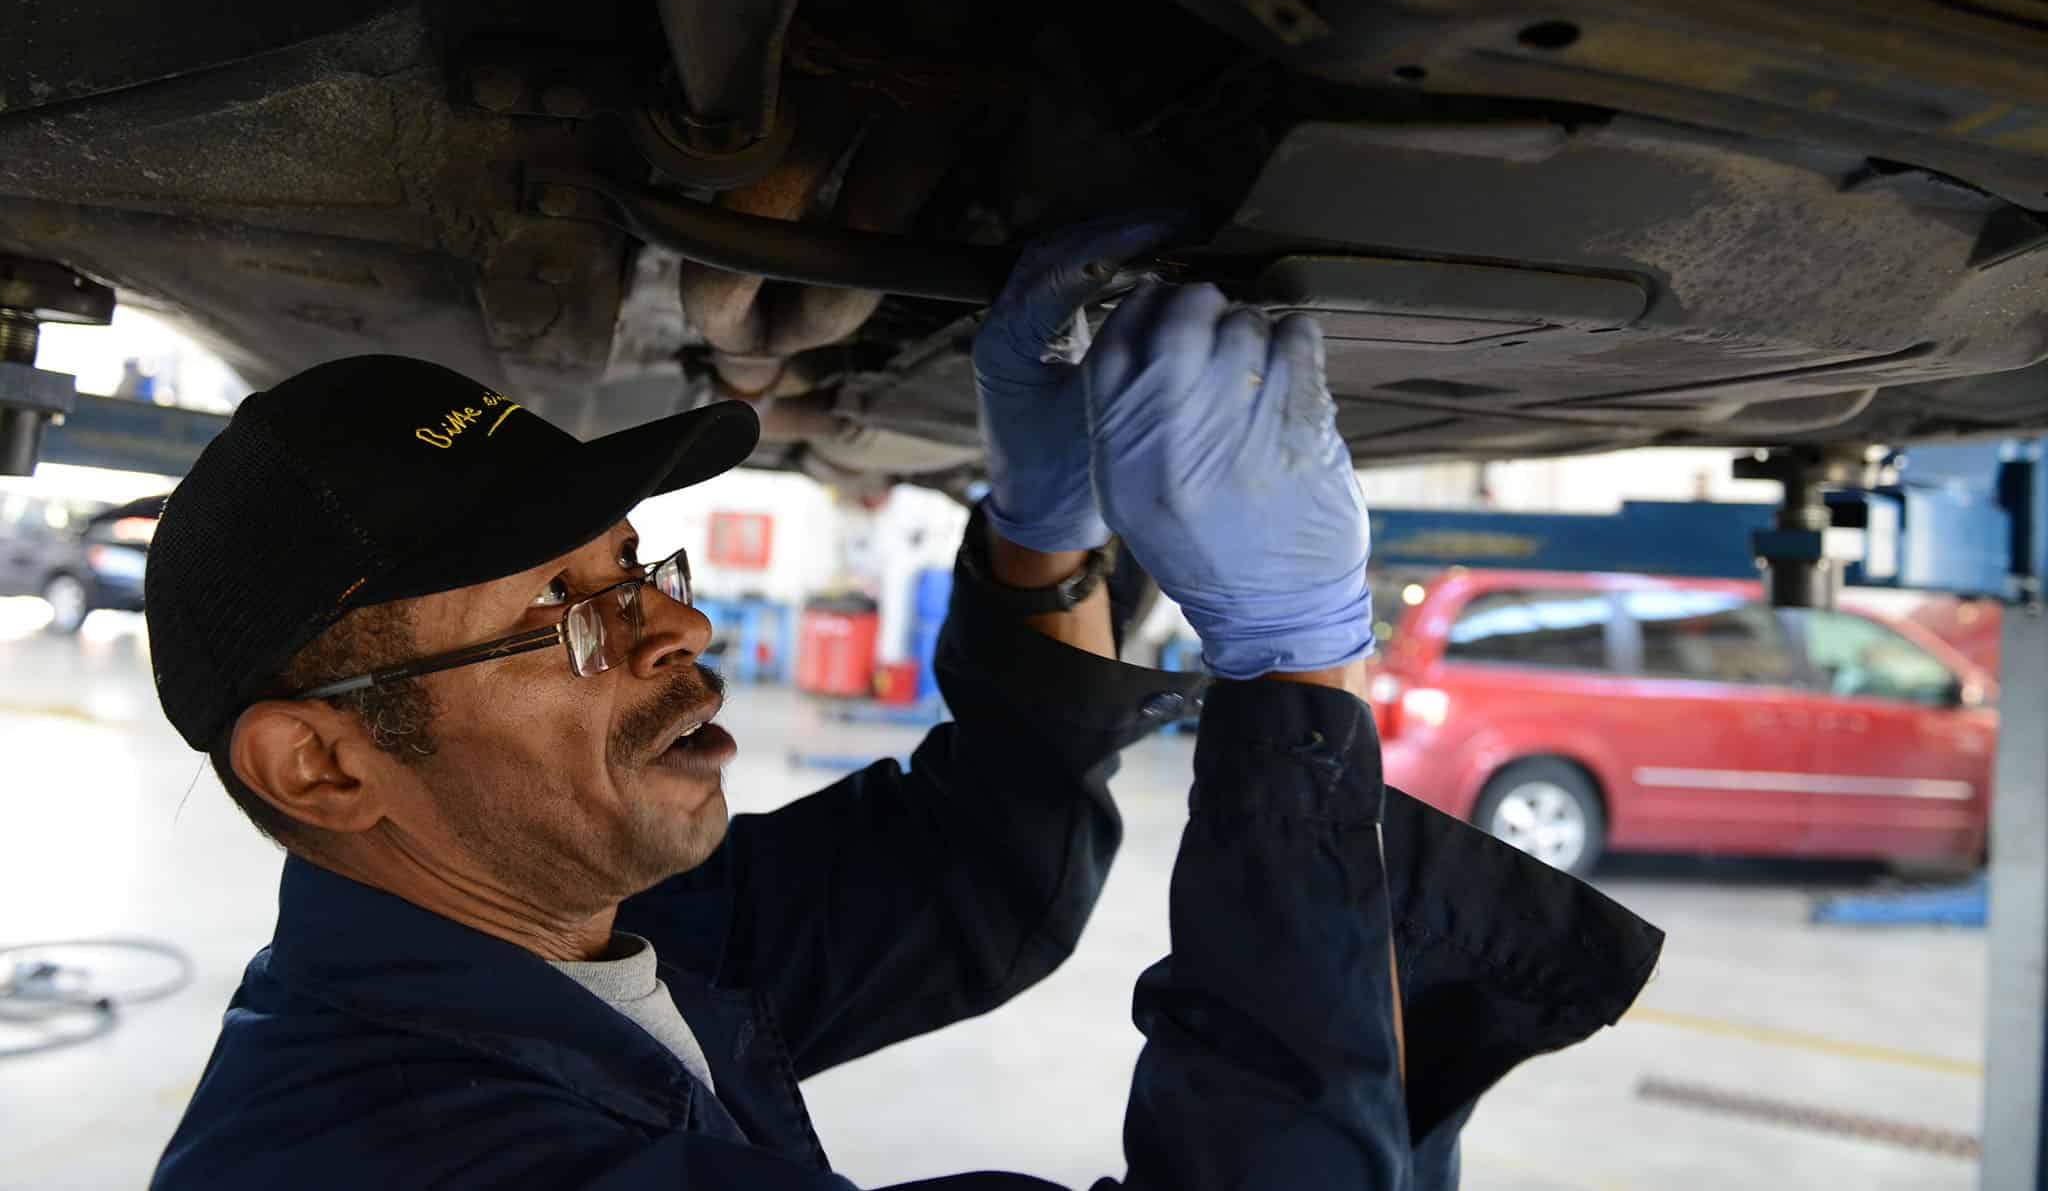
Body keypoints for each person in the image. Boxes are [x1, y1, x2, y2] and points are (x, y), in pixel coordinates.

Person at [148, 217, 1661, 1190]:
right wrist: (1295, 666)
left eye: (634, 566)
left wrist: (1042, 532)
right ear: (323, 765)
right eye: (564, 609)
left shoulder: (562, 932)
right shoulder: (399, 1155)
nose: (680, 623)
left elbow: (979, 877)